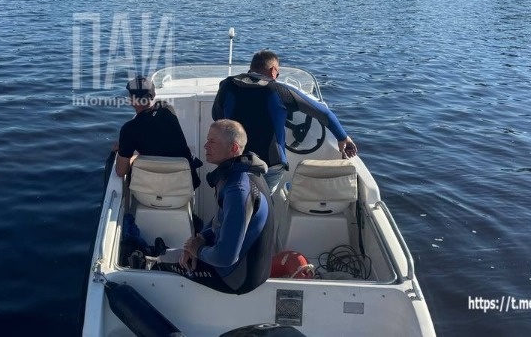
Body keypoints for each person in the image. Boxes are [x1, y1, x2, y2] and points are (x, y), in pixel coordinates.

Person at [212, 50, 358, 194]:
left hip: (233, 161)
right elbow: (324, 113)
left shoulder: (227, 86)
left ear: (251, 68)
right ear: (273, 70)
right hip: (270, 165)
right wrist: (343, 138)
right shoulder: (280, 91)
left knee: (233, 199)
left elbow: (217, 117)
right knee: (261, 204)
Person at [155, 120, 274, 294]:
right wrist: (202, 238)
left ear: (233, 148)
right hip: (250, 267)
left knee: (161, 263)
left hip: (237, 279)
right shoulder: (242, 170)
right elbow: (222, 218)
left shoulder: (237, 189)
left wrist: (198, 250)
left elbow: (225, 257)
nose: (205, 146)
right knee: (179, 252)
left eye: (212, 142)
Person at [114, 76, 200, 188]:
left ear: (132, 100)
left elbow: (121, 171)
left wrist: (127, 153)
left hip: (149, 192)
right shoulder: (167, 108)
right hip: (184, 187)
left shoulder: (129, 129)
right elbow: (158, 140)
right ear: (153, 95)